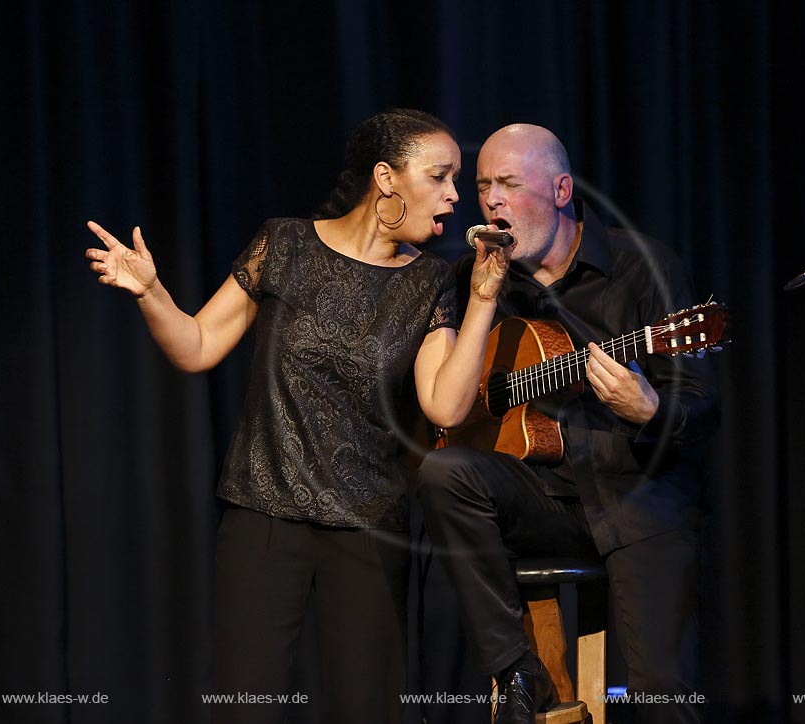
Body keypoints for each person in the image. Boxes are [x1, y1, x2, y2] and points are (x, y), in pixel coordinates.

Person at [84, 109, 512, 724]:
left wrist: (481, 301)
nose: (454, 194)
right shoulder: (283, 244)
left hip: (368, 523)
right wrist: (153, 293)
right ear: (386, 178)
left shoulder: (431, 282)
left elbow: (444, 404)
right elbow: (198, 346)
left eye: (455, 179)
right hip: (264, 510)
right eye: (441, 176)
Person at [416, 124, 720, 724]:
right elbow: (452, 403)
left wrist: (650, 410)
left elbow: (702, 404)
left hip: (637, 498)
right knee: (444, 469)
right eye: (483, 188)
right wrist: (482, 302)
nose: (492, 202)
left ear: (560, 190)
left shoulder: (644, 266)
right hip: (544, 502)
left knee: (662, 694)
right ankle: (515, 671)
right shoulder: (483, 282)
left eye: (508, 184)